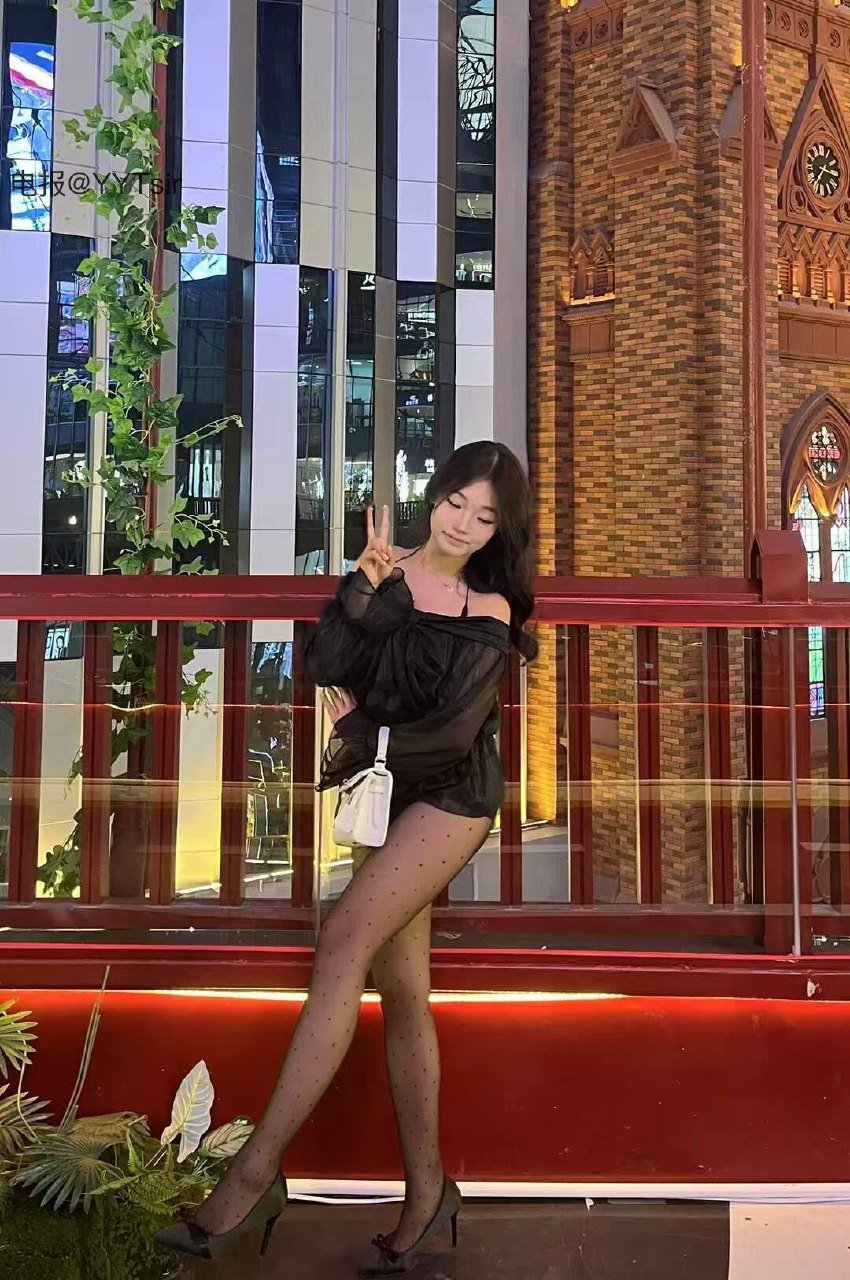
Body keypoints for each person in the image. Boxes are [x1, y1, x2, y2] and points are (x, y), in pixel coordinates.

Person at [154, 440, 538, 1274]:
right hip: (385, 795)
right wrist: (363, 586)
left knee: (341, 943)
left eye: (484, 517)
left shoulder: (489, 607)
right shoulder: (385, 571)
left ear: (499, 530)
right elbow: (328, 665)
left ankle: (252, 1178)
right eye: (456, 503)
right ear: (434, 494)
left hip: (450, 800)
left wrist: (363, 730)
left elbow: (450, 735)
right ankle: (429, 1196)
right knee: (403, 993)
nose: (464, 524)